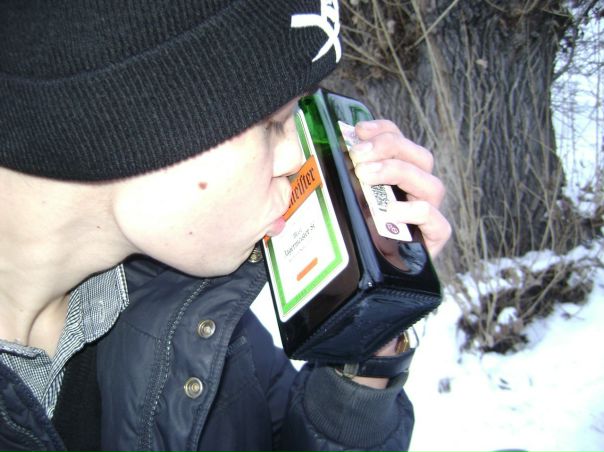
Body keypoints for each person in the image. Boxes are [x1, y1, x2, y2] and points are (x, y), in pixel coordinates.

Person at [0, 1, 451, 451]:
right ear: (125, 122)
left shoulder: (194, 310)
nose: (301, 158)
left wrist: (367, 333)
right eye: (274, 124)